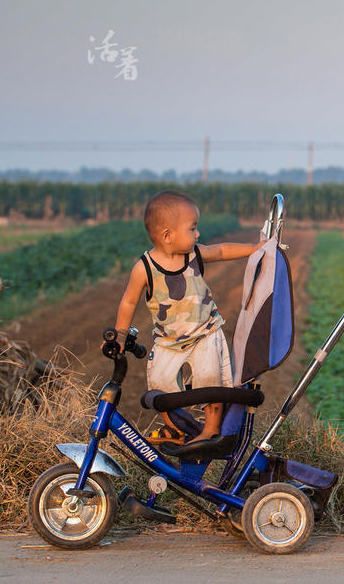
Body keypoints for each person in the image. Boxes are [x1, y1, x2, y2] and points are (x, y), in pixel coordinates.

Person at [109, 190, 259, 444]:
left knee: (210, 380)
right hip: (168, 342)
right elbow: (128, 301)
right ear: (168, 236)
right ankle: (174, 428)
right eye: (192, 228)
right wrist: (121, 335)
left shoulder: (195, 255)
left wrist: (255, 249)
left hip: (205, 334)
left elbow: (221, 251)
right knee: (160, 385)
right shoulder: (143, 269)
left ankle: (210, 429)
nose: (198, 234)